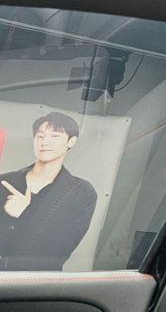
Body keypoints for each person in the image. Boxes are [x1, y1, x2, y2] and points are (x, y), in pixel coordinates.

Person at [0, 112, 96, 270]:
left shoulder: (82, 193)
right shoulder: (4, 182)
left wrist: (25, 213)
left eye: (55, 136)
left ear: (71, 141)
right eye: (40, 136)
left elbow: (59, 251)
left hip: (40, 280)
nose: (45, 142)